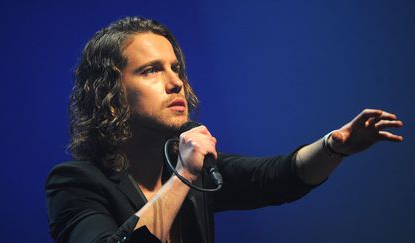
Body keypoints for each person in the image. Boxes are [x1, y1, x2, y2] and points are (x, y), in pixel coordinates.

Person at [45, 16, 404, 243]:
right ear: (110, 93)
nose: (176, 83)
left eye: (176, 69)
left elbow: (277, 177)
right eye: (152, 70)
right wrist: (184, 174)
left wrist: (333, 146)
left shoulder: (192, 170)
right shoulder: (76, 183)